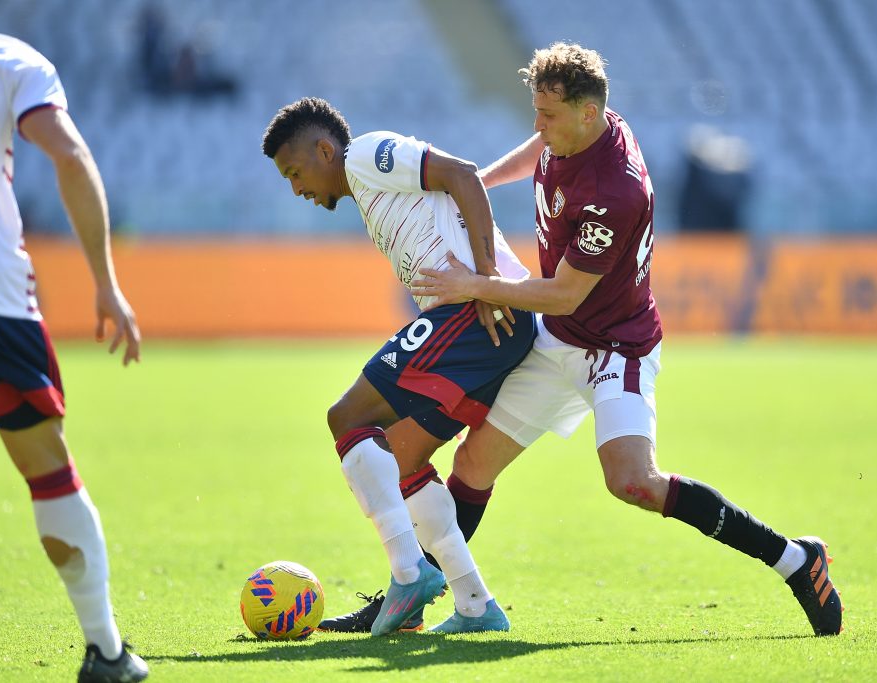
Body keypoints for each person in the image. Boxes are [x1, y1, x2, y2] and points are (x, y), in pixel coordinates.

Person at [410, 42, 844, 637]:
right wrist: (476, 185)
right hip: (558, 341)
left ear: (589, 114)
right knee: (473, 465)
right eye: (535, 111)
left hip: (616, 348)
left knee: (633, 482)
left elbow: (564, 293)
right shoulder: (583, 130)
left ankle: (797, 561)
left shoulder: (616, 192)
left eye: (549, 115)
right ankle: (415, 603)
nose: (538, 126)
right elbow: (540, 149)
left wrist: (475, 284)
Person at [261, 97, 535, 634]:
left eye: (295, 172)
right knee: (405, 460)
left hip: (476, 315)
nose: (296, 188)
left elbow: (464, 176)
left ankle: (409, 574)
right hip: (484, 325)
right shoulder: (368, 192)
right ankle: (476, 604)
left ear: (324, 149)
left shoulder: (364, 155)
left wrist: (485, 281)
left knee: (347, 418)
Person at [0, 32, 149, 681]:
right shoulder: (11, 61)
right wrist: (106, 281)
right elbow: (70, 155)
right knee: (47, 469)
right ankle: (106, 648)